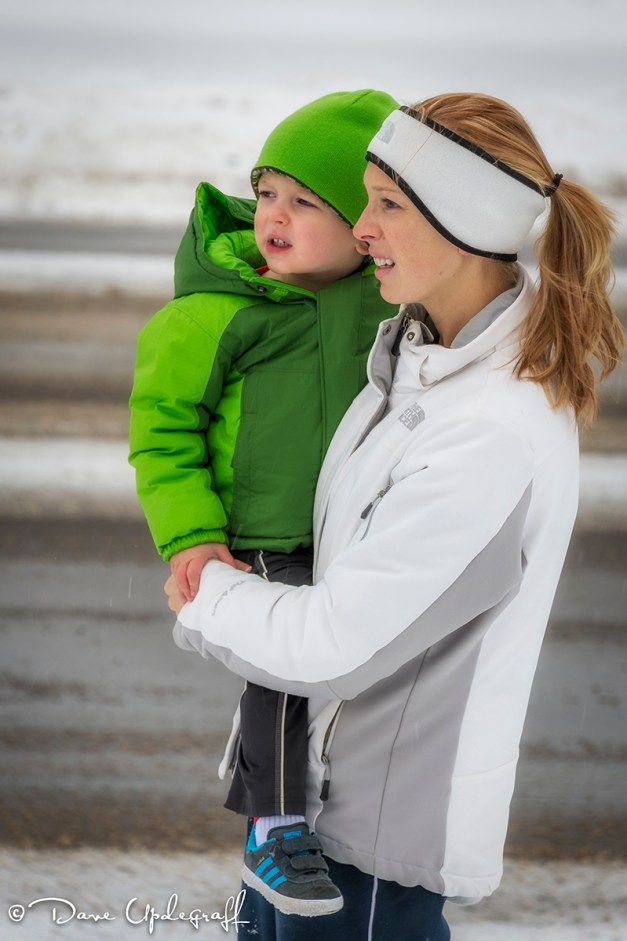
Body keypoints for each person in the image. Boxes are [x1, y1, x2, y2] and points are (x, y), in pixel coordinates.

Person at [166, 92, 625, 940]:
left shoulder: (490, 430)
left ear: (464, 226)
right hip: (307, 817)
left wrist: (204, 594)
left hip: (373, 848)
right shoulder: (413, 361)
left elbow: (339, 642)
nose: (359, 225)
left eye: (386, 205)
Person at [128, 89, 398, 917]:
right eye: (266, 190)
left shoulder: (382, 298)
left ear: (364, 228)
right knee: (283, 670)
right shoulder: (219, 308)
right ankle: (274, 827)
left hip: (349, 526)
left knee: (351, 677)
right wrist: (193, 538)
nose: (272, 215)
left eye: (303, 200)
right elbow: (161, 432)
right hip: (261, 536)